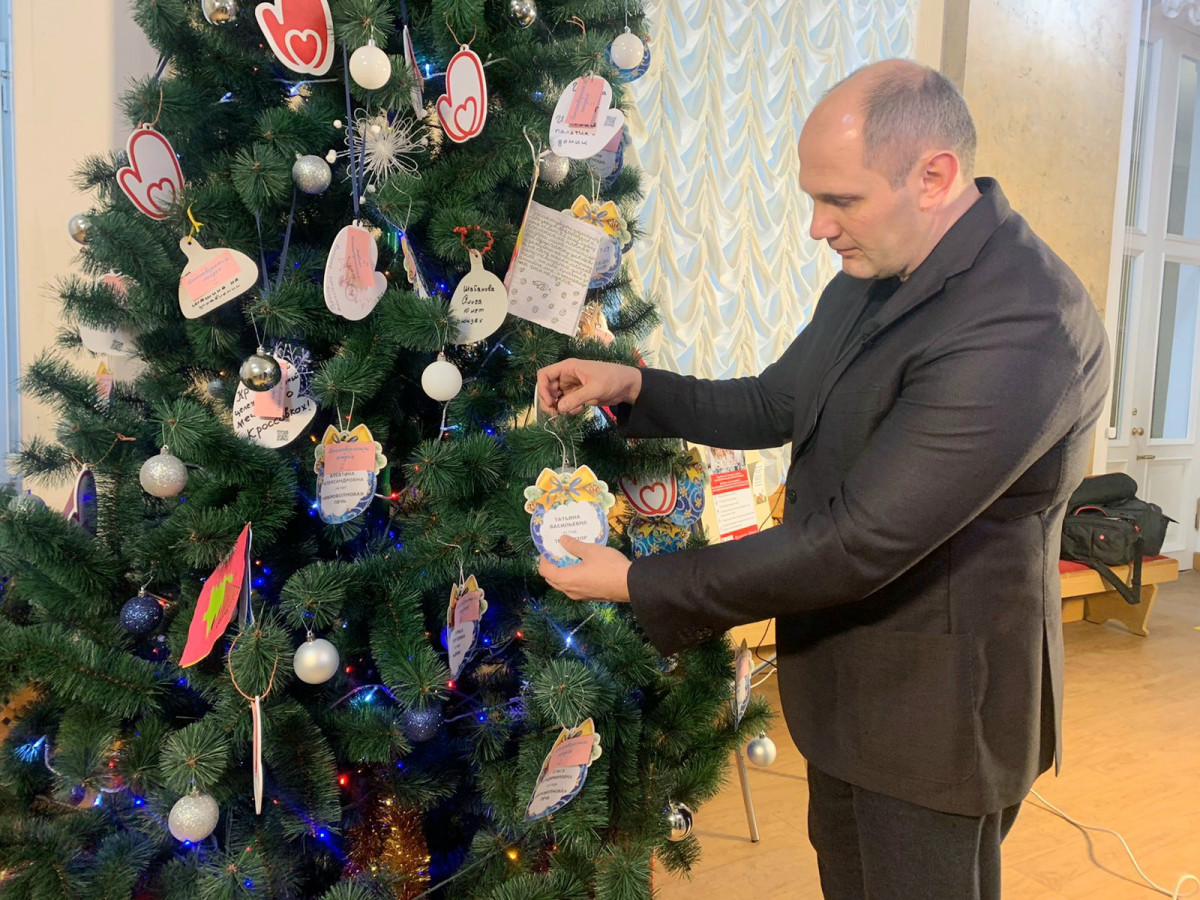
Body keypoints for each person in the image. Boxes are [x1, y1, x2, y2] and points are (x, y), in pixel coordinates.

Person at [536, 59, 1110, 900]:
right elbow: (778, 400)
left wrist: (639, 583)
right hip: (846, 687)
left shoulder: (1024, 320)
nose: (818, 227)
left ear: (934, 177)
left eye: (840, 200)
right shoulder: (878, 270)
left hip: (937, 717)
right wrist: (634, 386)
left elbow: (856, 542)